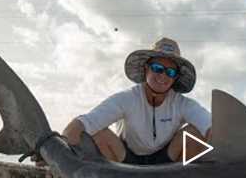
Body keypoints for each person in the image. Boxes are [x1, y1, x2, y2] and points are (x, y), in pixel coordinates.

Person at [35, 37, 211, 166]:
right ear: (146, 69)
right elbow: (82, 123)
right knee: (98, 133)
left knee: (195, 132)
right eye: (157, 68)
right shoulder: (127, 98)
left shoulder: (182, 104)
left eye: (170, 73)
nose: (163, 76)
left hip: (166, 161)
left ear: (175, 78)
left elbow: (211, 127)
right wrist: (54, 152)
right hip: (126, 161)